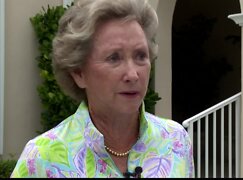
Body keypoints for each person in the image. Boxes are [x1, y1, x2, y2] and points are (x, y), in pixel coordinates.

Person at [11, 0, 194, 178]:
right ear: (78, 73)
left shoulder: (175, 140)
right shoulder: (42, 158)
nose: (132, 74)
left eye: (140, 55)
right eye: (114, 58)